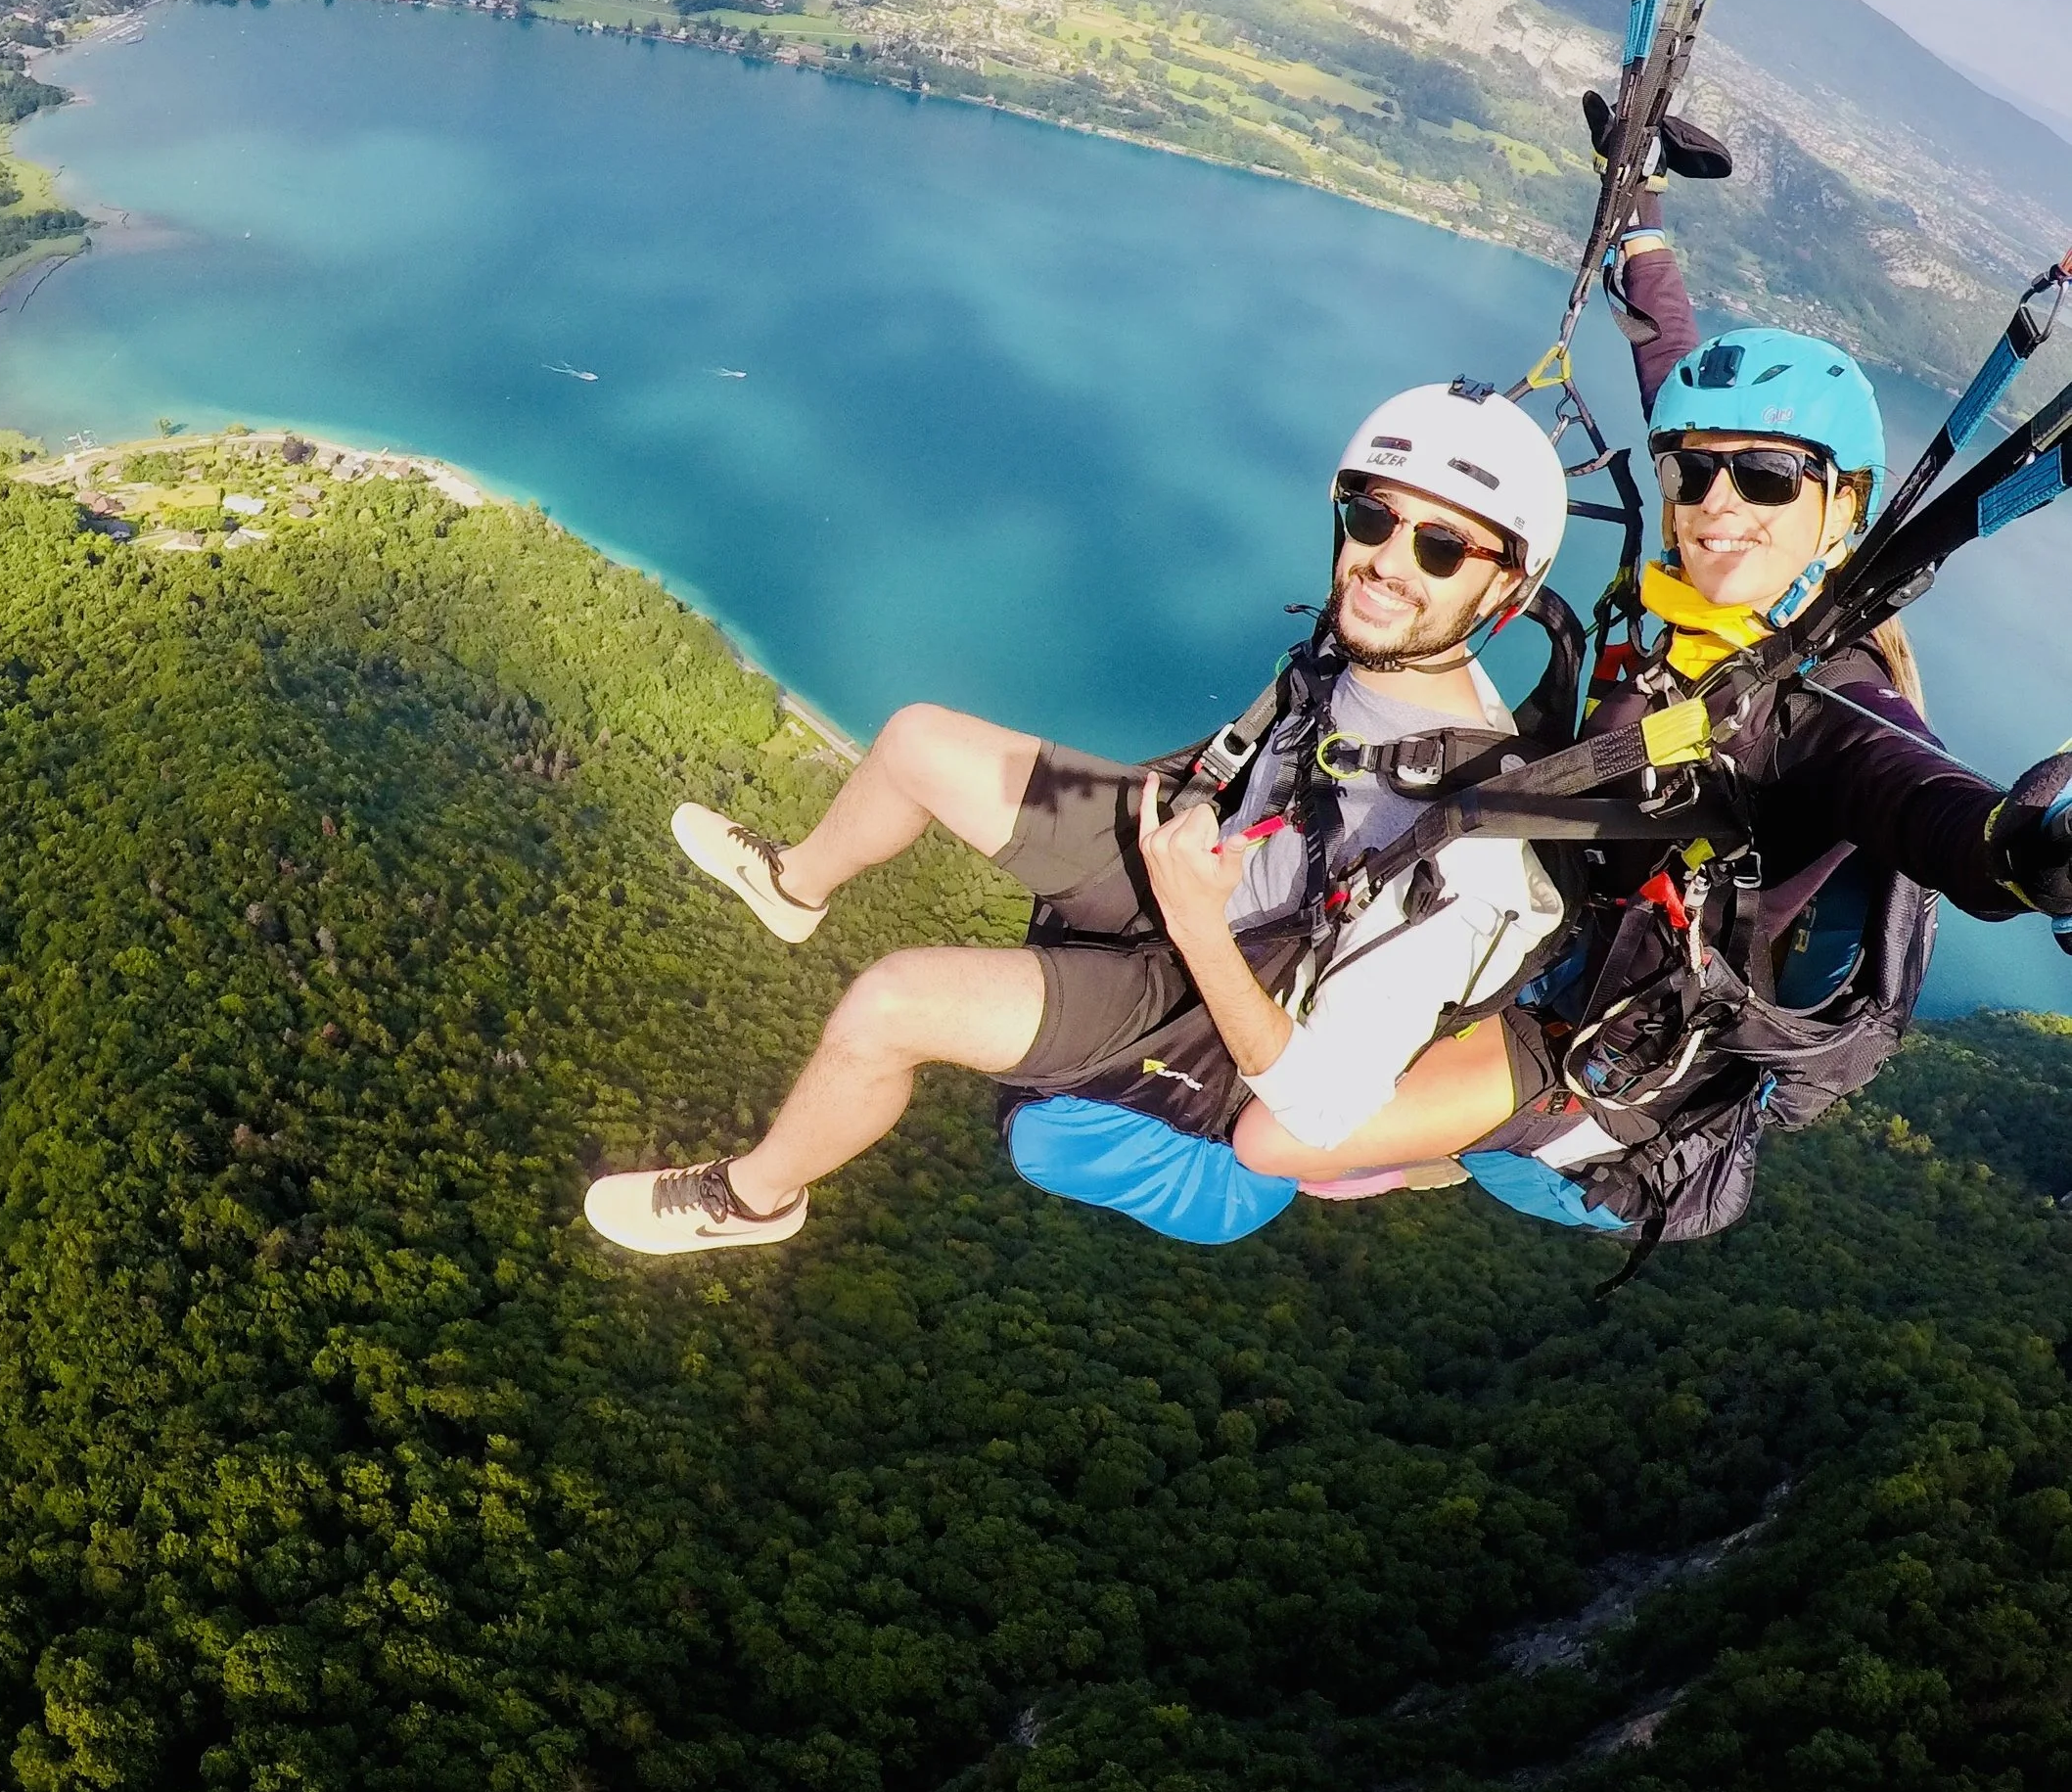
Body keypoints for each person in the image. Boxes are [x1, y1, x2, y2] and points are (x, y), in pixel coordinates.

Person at [1243, 125, 2072, 1227]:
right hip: (1566, 924)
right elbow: (1665, 352)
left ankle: (1465, 1151)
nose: (1716, 504)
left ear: (1843, 508)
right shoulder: (1695, 590)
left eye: (1768, 477)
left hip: (1622, 1043)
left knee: (1292, 1144)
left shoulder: (1827, 704)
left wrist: (2020, 851)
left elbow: (1918, 798)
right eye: (1694, 471)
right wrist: (1638, 210)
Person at [582, 381, 1574, 1255]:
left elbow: (1319, 1106)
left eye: (1440, 545)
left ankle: (751, 1200)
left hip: (1217, 999)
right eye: (1373, 519)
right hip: (1202, 867)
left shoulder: (1466, 853)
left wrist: (1192, 916)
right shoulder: (1373, 647)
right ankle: (794, 886)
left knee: (889, 1006)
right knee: (917, 741)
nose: (1388, 561)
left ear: (1503, 586)